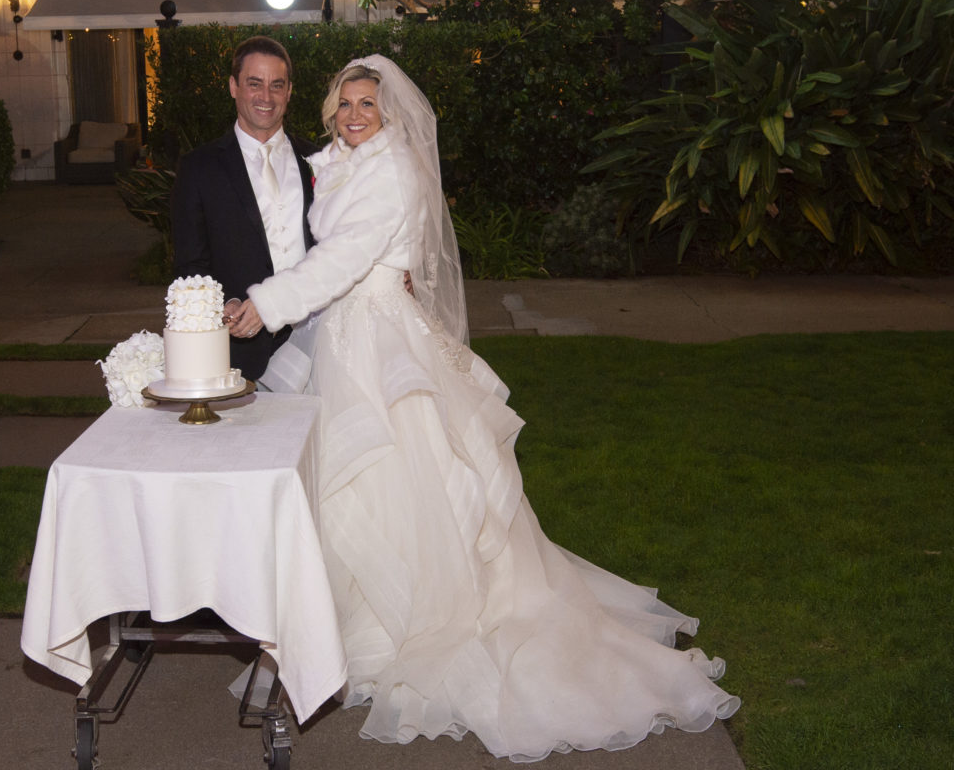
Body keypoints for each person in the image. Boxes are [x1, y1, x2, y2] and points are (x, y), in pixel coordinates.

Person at [227, 56, 740, 761]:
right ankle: (346, 624)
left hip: (374, 338)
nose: (352, 114)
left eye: (367, 105)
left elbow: (346, 256)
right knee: (363, 484)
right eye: (345, 102)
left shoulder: (392, 170)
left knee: (393, 473)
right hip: (348, 332)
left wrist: (267, 303)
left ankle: (408, 625)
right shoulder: (352, 160)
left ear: (390, 114)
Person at [170, 35, 317, 383]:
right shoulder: (198, 168)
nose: (266, 97)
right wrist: (225, 306)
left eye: (276, 85)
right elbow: (190, 267)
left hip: (318, 342)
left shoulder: (318, 161)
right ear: (234, 86)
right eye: (255, 84)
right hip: (242, 352)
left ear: (289, 92)